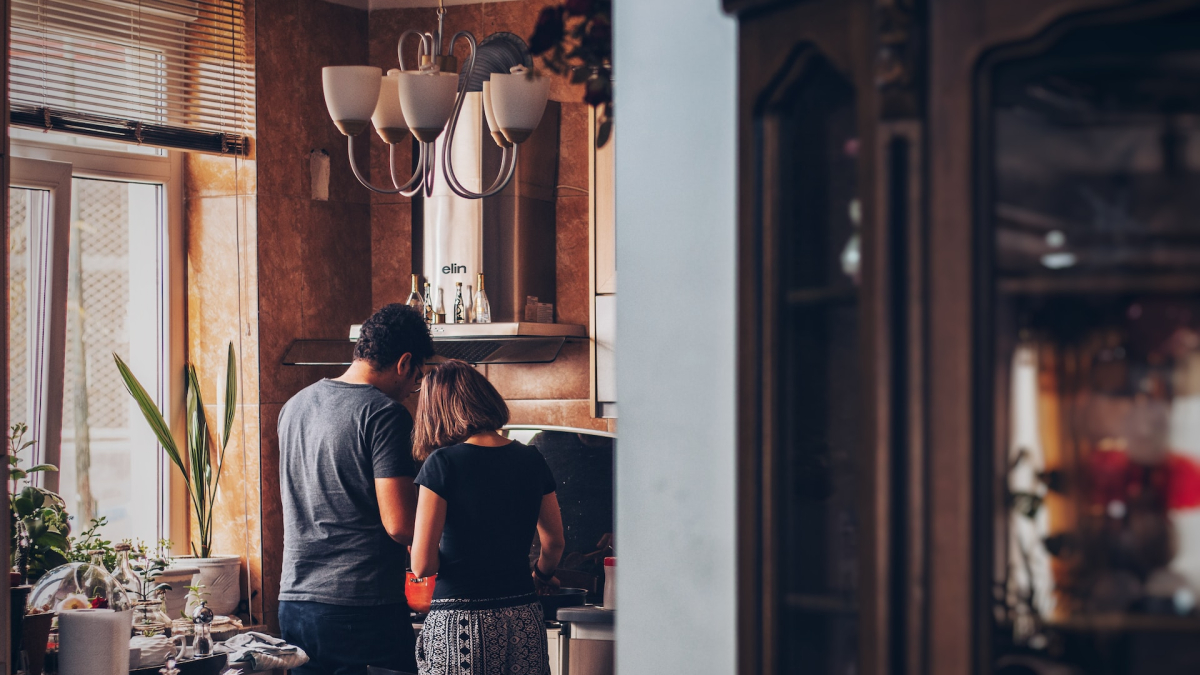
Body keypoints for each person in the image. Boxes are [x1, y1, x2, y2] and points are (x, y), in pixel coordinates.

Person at [277, 303, 434, 675]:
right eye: (417, 378)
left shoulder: (295, 406)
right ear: (404, 362)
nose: (413, 390)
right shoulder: (384, 414)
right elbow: (400, 525)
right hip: (359, 607)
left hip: (295, 602)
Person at [410, 360, 566, 675]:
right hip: (523, 615)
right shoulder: (531, 458)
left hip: (462, 622)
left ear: (437, 411)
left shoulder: (443, 464)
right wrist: (541, 577)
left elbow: (422, 565)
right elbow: (554, 543)